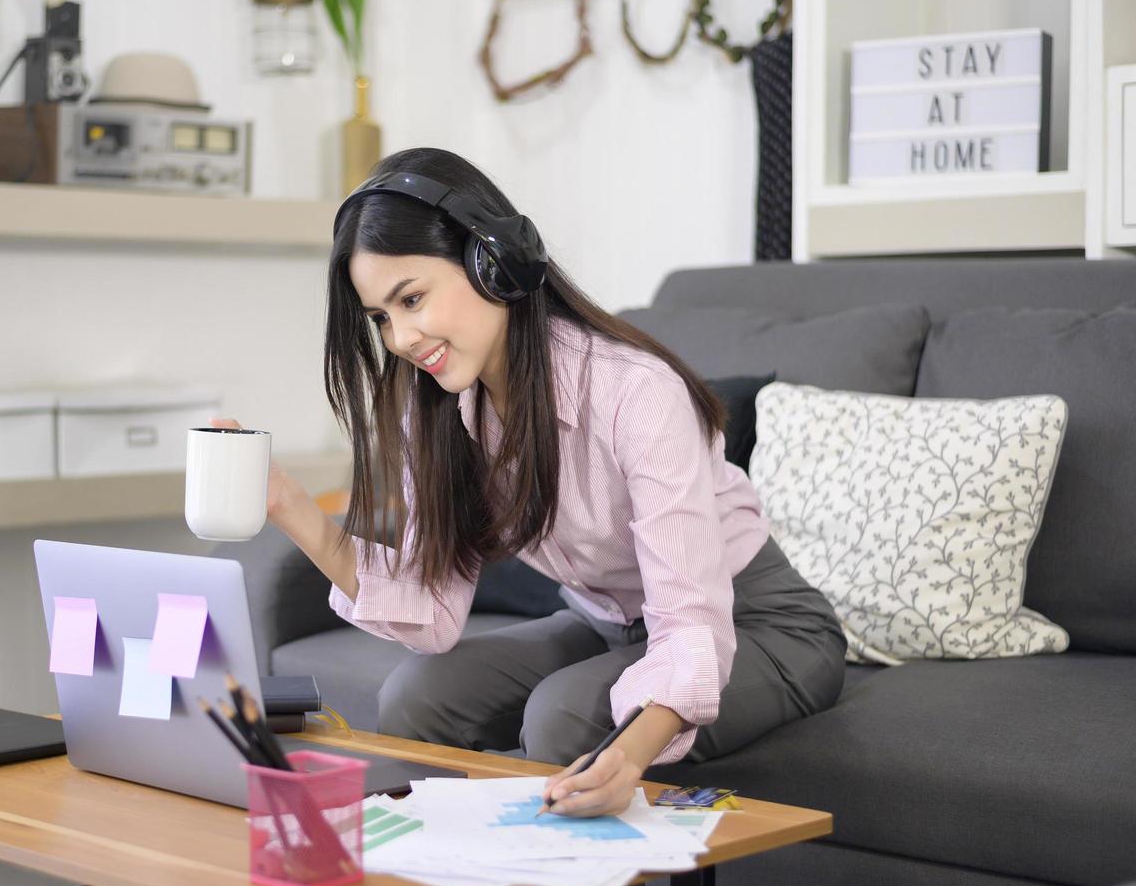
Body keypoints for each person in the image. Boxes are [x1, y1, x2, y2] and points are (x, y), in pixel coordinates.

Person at [212, 146, 844, 835]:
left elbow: (689, 623)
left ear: (493, 260)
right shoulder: (432, 408)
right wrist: (289, 506)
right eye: (381, 318)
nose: (400, 338)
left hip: (759, 623)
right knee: (417, 696)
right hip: (607, 620)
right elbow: (428, 608)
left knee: (566, 714)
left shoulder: (636, 391)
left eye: (412, 298)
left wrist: (625, 756)